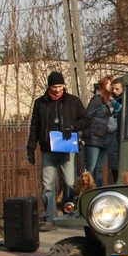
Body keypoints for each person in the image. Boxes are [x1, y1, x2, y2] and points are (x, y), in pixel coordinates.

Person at [26, 71, 90, 232]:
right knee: (47, 185)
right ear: (49, 87)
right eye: (54, 87)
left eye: (60, 86)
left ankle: (68, 211)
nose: (57, 90)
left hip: (67, 147)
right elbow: (35, 126)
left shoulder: (73, 101)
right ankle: (50, 217)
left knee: (69, 182)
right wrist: (30, 147)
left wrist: (73, 127)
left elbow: (86, 120)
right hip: (48, 149)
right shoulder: (40, 103)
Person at [83, 76, 115, 187]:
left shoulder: (109, 101)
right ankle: (87, 191)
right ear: (103, 85)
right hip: (93, 139)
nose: (111, 87)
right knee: (91, 168)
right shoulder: (96, 100)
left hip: (104, 139)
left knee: (100, 169)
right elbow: (87, 117)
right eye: (109, 84)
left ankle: (98, 190)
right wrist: (85, 136)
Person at [106, 77, 124, 183]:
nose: (114, 91)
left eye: (117, 89)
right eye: (113, 89)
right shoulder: (108, 99)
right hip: (113, 137)